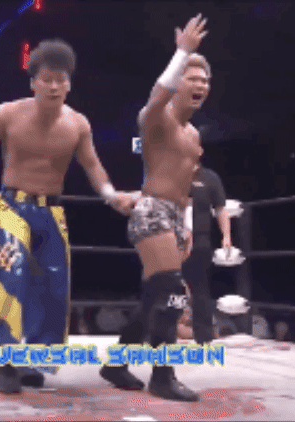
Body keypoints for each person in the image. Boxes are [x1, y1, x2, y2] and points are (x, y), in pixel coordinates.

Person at [0, 39, 136, 394]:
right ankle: (5, 361)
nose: (54, 86)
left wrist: (112, 196)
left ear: (69, 84)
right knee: (15, 274)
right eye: (47, 79)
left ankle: (34, 361)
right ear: (33, 82)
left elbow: (92, 165)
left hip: (52, 210)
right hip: (12, 207)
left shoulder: (78, 124)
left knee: (54, 284)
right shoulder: (7, 114)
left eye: (60, 80)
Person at [99, 14, 209, 402]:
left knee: (154, 298)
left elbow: (189, 184)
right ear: (178, 83)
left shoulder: (194, 135)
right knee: (172, 293)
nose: (200, 85)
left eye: (205, 80)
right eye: (192, 78)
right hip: (152, 212)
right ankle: (163, 377)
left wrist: (188, 224)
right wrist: (182, 53)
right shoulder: (157, 120)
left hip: (176, 216)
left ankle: (116, 363)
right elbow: (156, 94)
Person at [181, 164, 231, 345]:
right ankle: (159, 332)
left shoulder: (210, 177)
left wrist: (226, 236)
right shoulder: (172, 170)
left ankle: (203, 337)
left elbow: (220, 208)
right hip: (173, 236)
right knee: (165, 283)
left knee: (200, 287)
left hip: (200, 240)